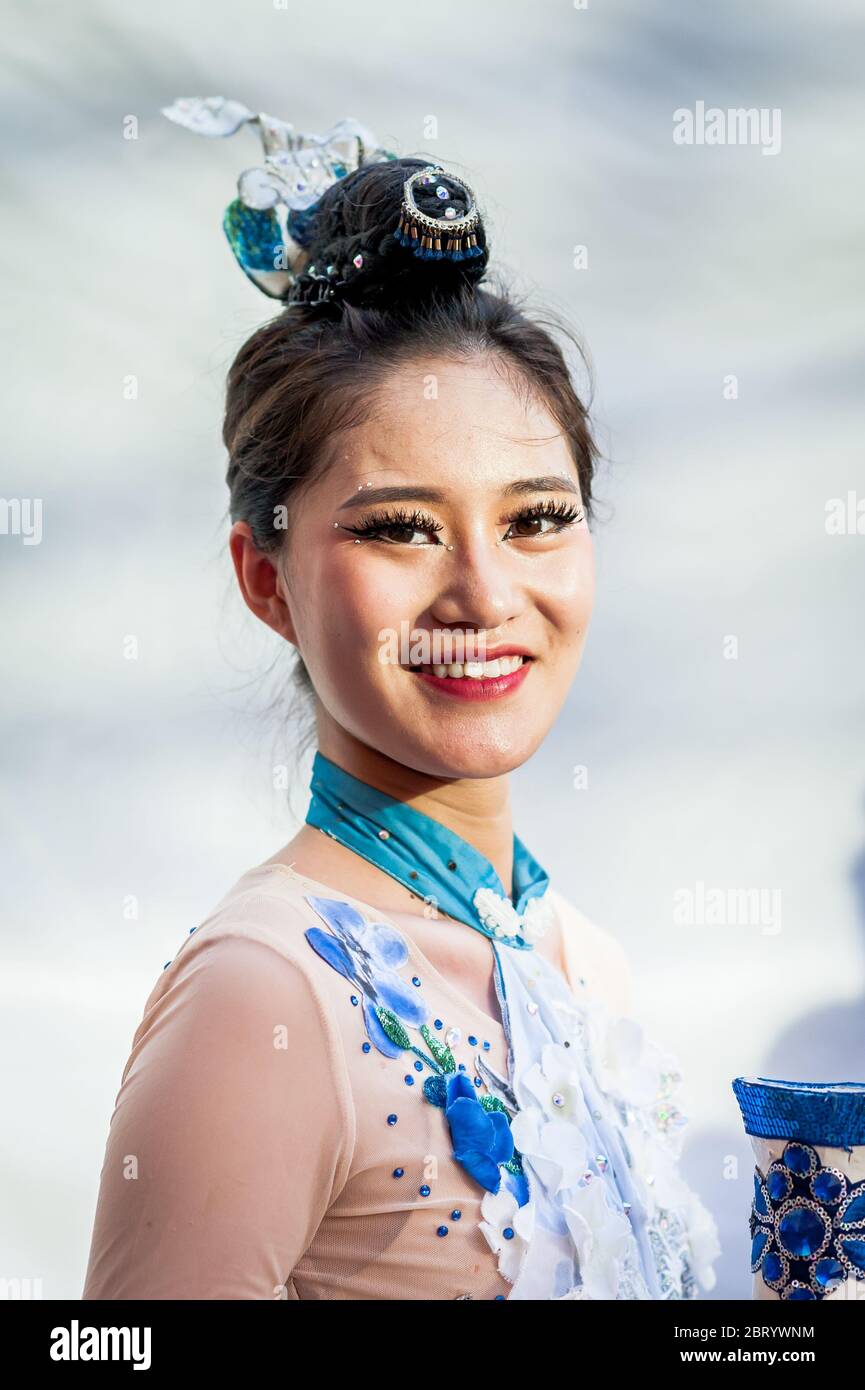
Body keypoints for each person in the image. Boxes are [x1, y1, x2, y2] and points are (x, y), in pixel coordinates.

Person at [81, 100, 720, 1301]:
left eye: (536, 519)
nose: (484, 591)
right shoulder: (264, 996)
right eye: (399, 529)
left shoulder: (582, 962)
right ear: (265, 581)